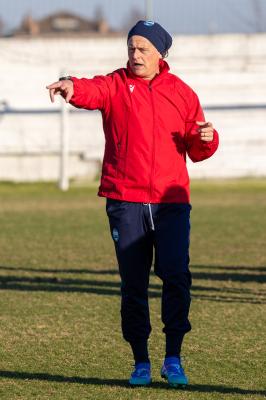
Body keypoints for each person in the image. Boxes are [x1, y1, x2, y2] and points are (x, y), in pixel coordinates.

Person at [46, 20, 219, 388]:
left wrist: (208, 137)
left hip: (171, 203)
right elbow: (89, 90)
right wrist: (70, 86)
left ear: (160, 54)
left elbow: (198, 147)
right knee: (133, 285)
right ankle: (140, 360)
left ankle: (173, 356)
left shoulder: (182, 93)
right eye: (130, 48)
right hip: (125, 202)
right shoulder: (115, 85)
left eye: (142, 49)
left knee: (176, 276)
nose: (135, 55)